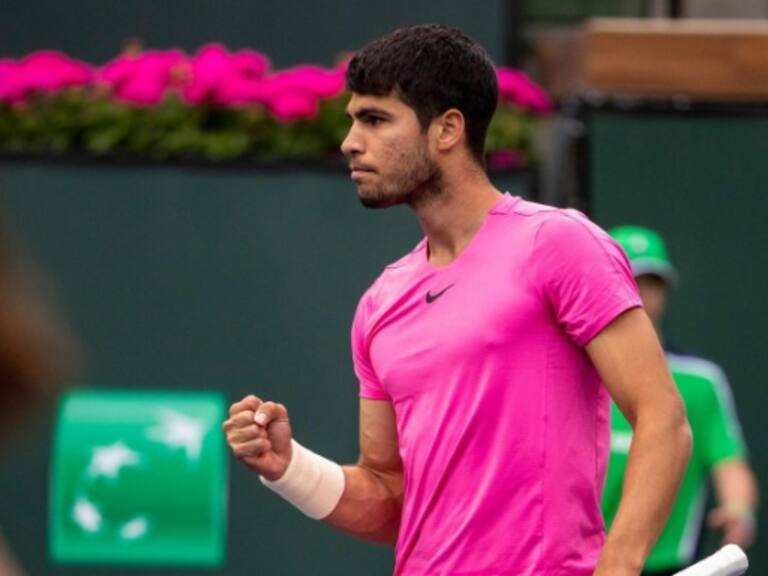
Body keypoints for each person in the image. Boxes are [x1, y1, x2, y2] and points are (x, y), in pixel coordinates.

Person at [223, 24, 691, 576]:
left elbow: (662, 418)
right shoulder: (380, 302)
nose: (350, 141)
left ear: (446, 129)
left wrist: (620, 565)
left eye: (375, 119)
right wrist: (287, 466)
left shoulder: (559, 244)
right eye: (353, 120)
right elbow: (390, 496)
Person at [602, 225, 758, 576]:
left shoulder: (701, 382)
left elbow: (729, 463)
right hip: (582, 565)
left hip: (669, 566)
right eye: (630, 280)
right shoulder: (570, 377)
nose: (642, 294)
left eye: (652, 282)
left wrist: (738, 510)